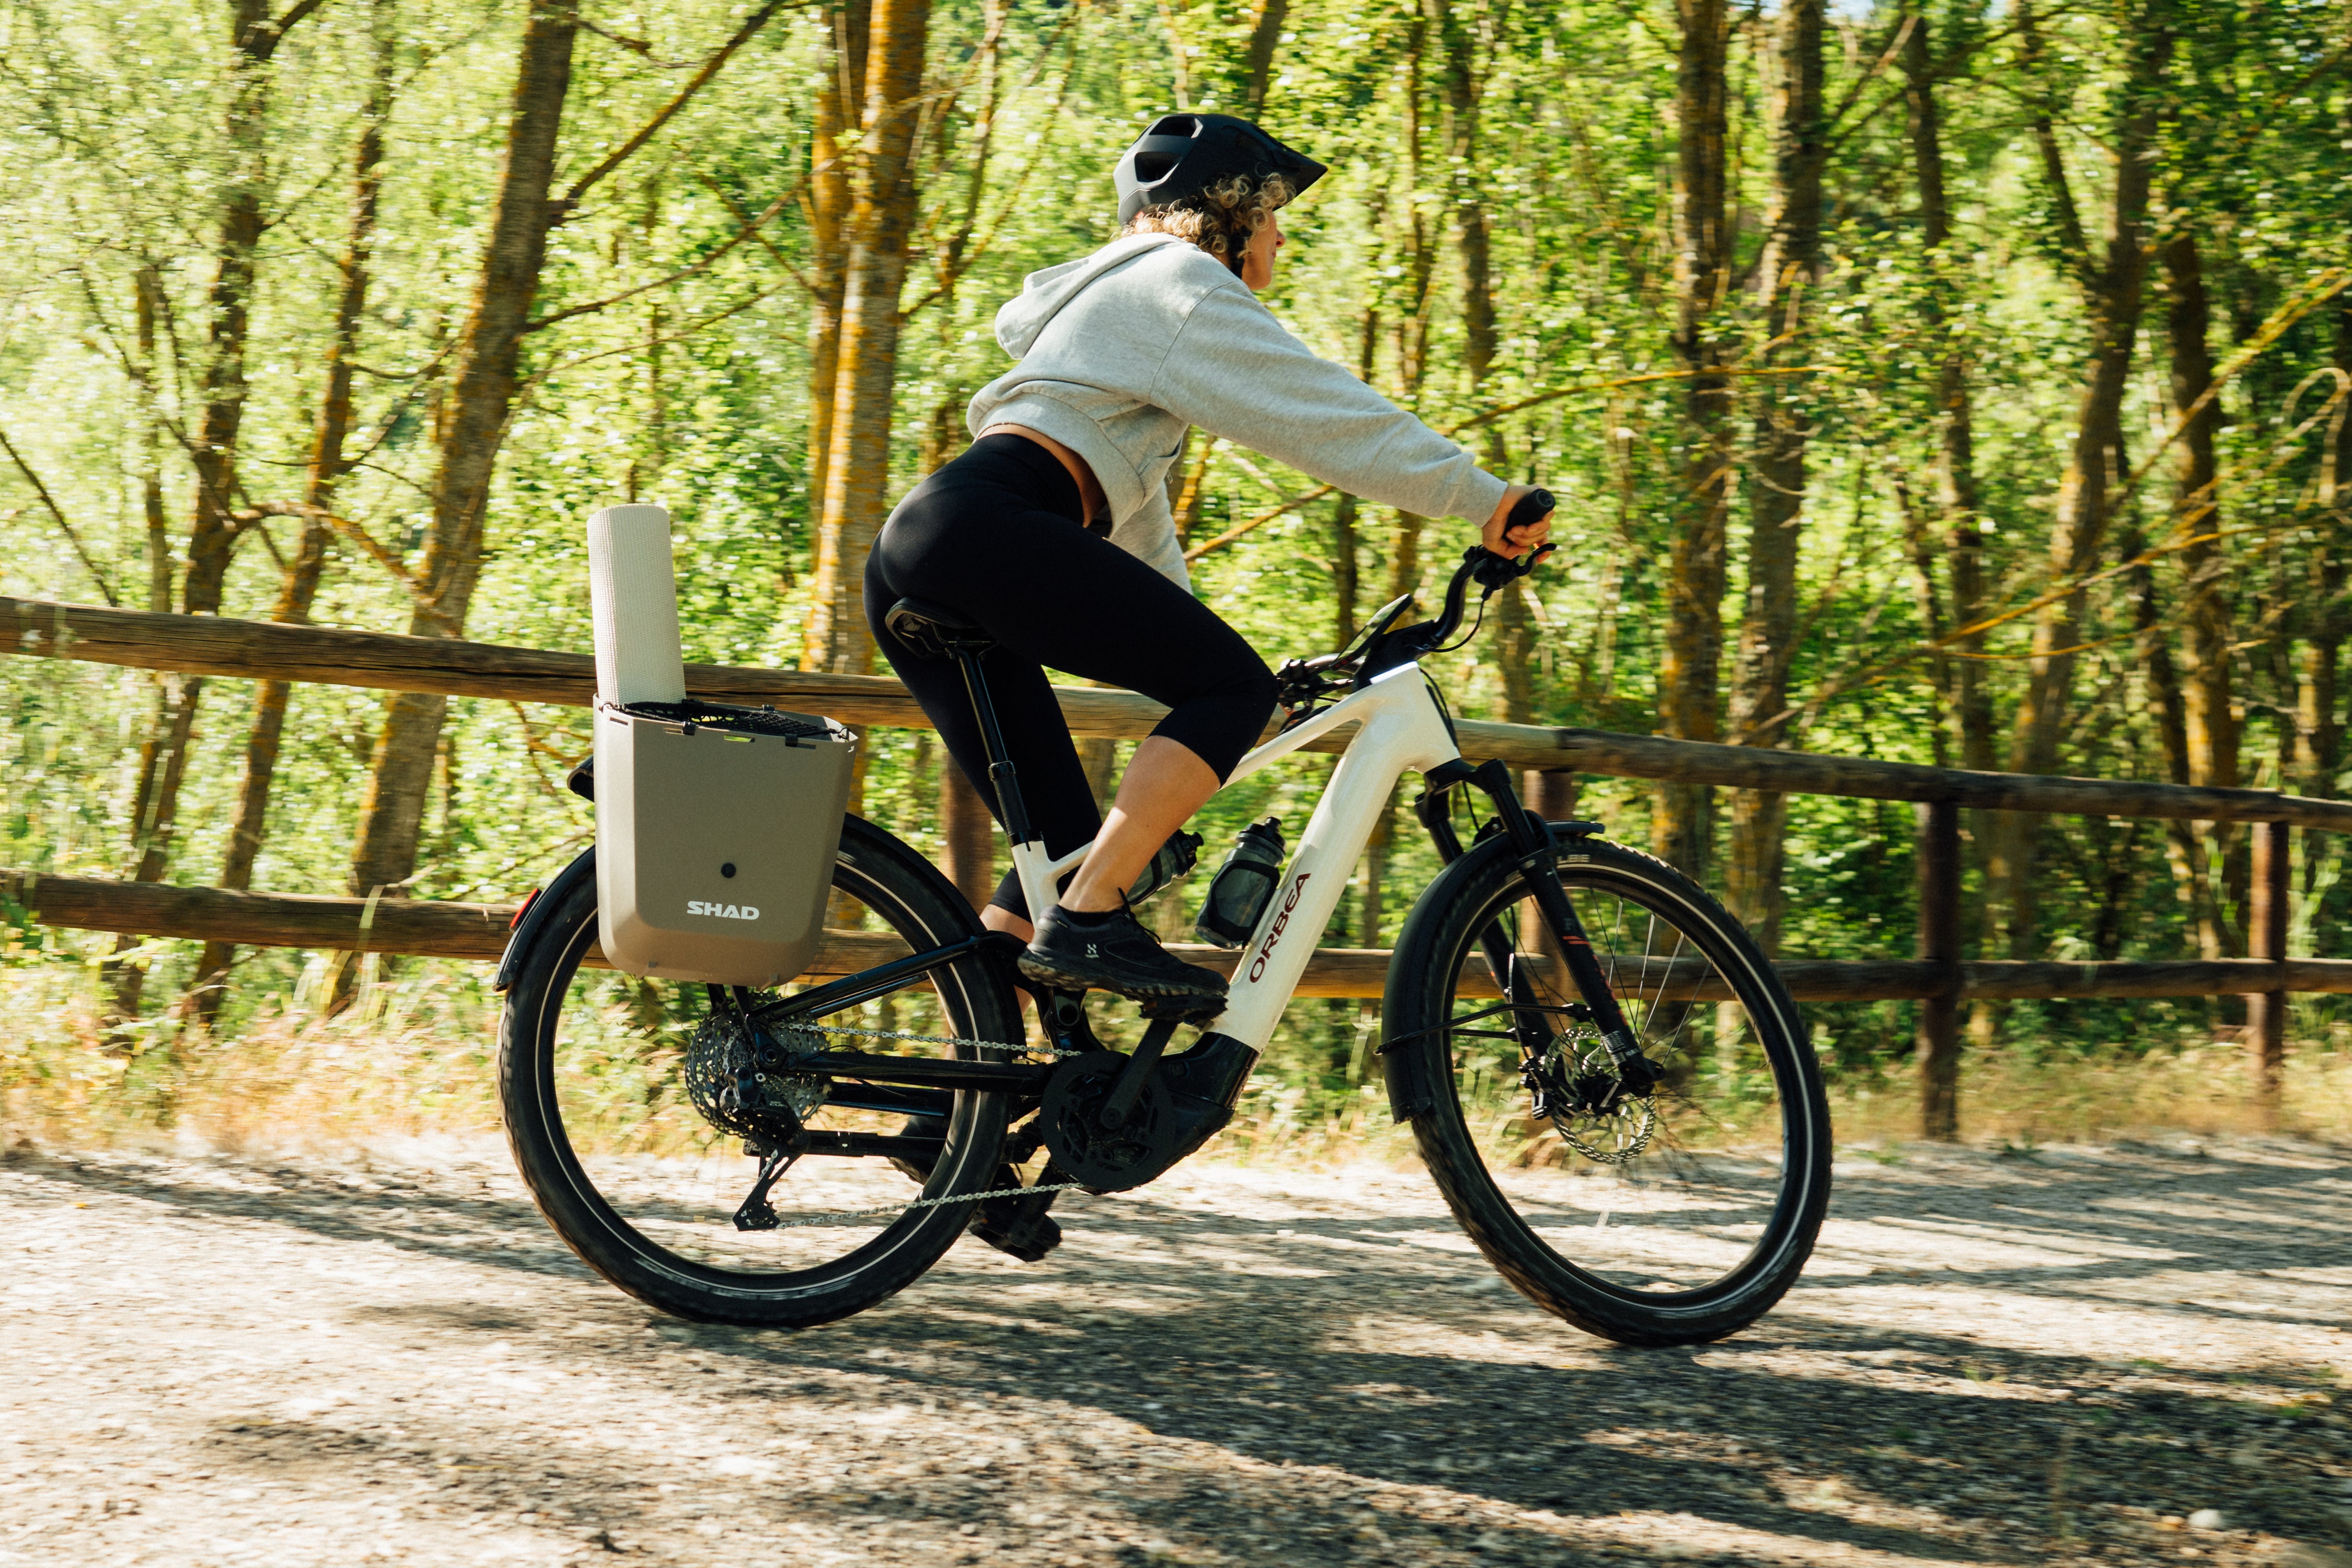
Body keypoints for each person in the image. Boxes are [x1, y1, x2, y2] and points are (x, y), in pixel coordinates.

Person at [863, 113, 1551, 1010]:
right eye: (1272, 214)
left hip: (924, 548)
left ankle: (962, 1078)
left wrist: (1236, 688)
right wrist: (1482, 497)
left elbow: (1140, 548)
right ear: (1226, 211)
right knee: (1209, 715)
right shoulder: (1174, 279)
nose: (1280, 236)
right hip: (982, 532)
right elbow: (1320, 414)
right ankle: (1090, 921)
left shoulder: (1113, 320)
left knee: (1067, 853)